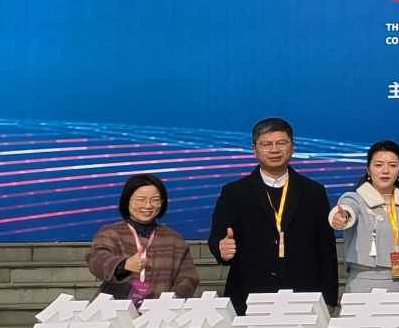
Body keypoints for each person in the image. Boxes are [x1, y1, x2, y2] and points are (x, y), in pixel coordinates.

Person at [209, 117, 339, 313]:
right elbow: (218, 236)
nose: (275, 150)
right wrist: (221, 249)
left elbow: (326, 250)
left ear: (292, 146)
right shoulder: (234, 192)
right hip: (249, 295)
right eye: (266, 144)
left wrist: (329, 300)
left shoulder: (313, 191)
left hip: (304, 296)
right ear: (254, 149)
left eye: (281, 143)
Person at [329, 141, 399, 305]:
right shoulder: (355, 199)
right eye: (378, 165)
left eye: (392, 165)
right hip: (362, 288)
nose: (385, 171)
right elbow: (346, 208)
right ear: (368, 169)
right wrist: (341, 216)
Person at [87, 174, 200, 306]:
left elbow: (188, 277)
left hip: (159, 311)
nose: (148, 205)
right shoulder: (111, 233)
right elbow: (96, 258)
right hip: (115, 309)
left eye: (155, 200)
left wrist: (171, 300)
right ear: (127, 201)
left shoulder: (174, 239)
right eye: (141, 200)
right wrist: (123, 265)